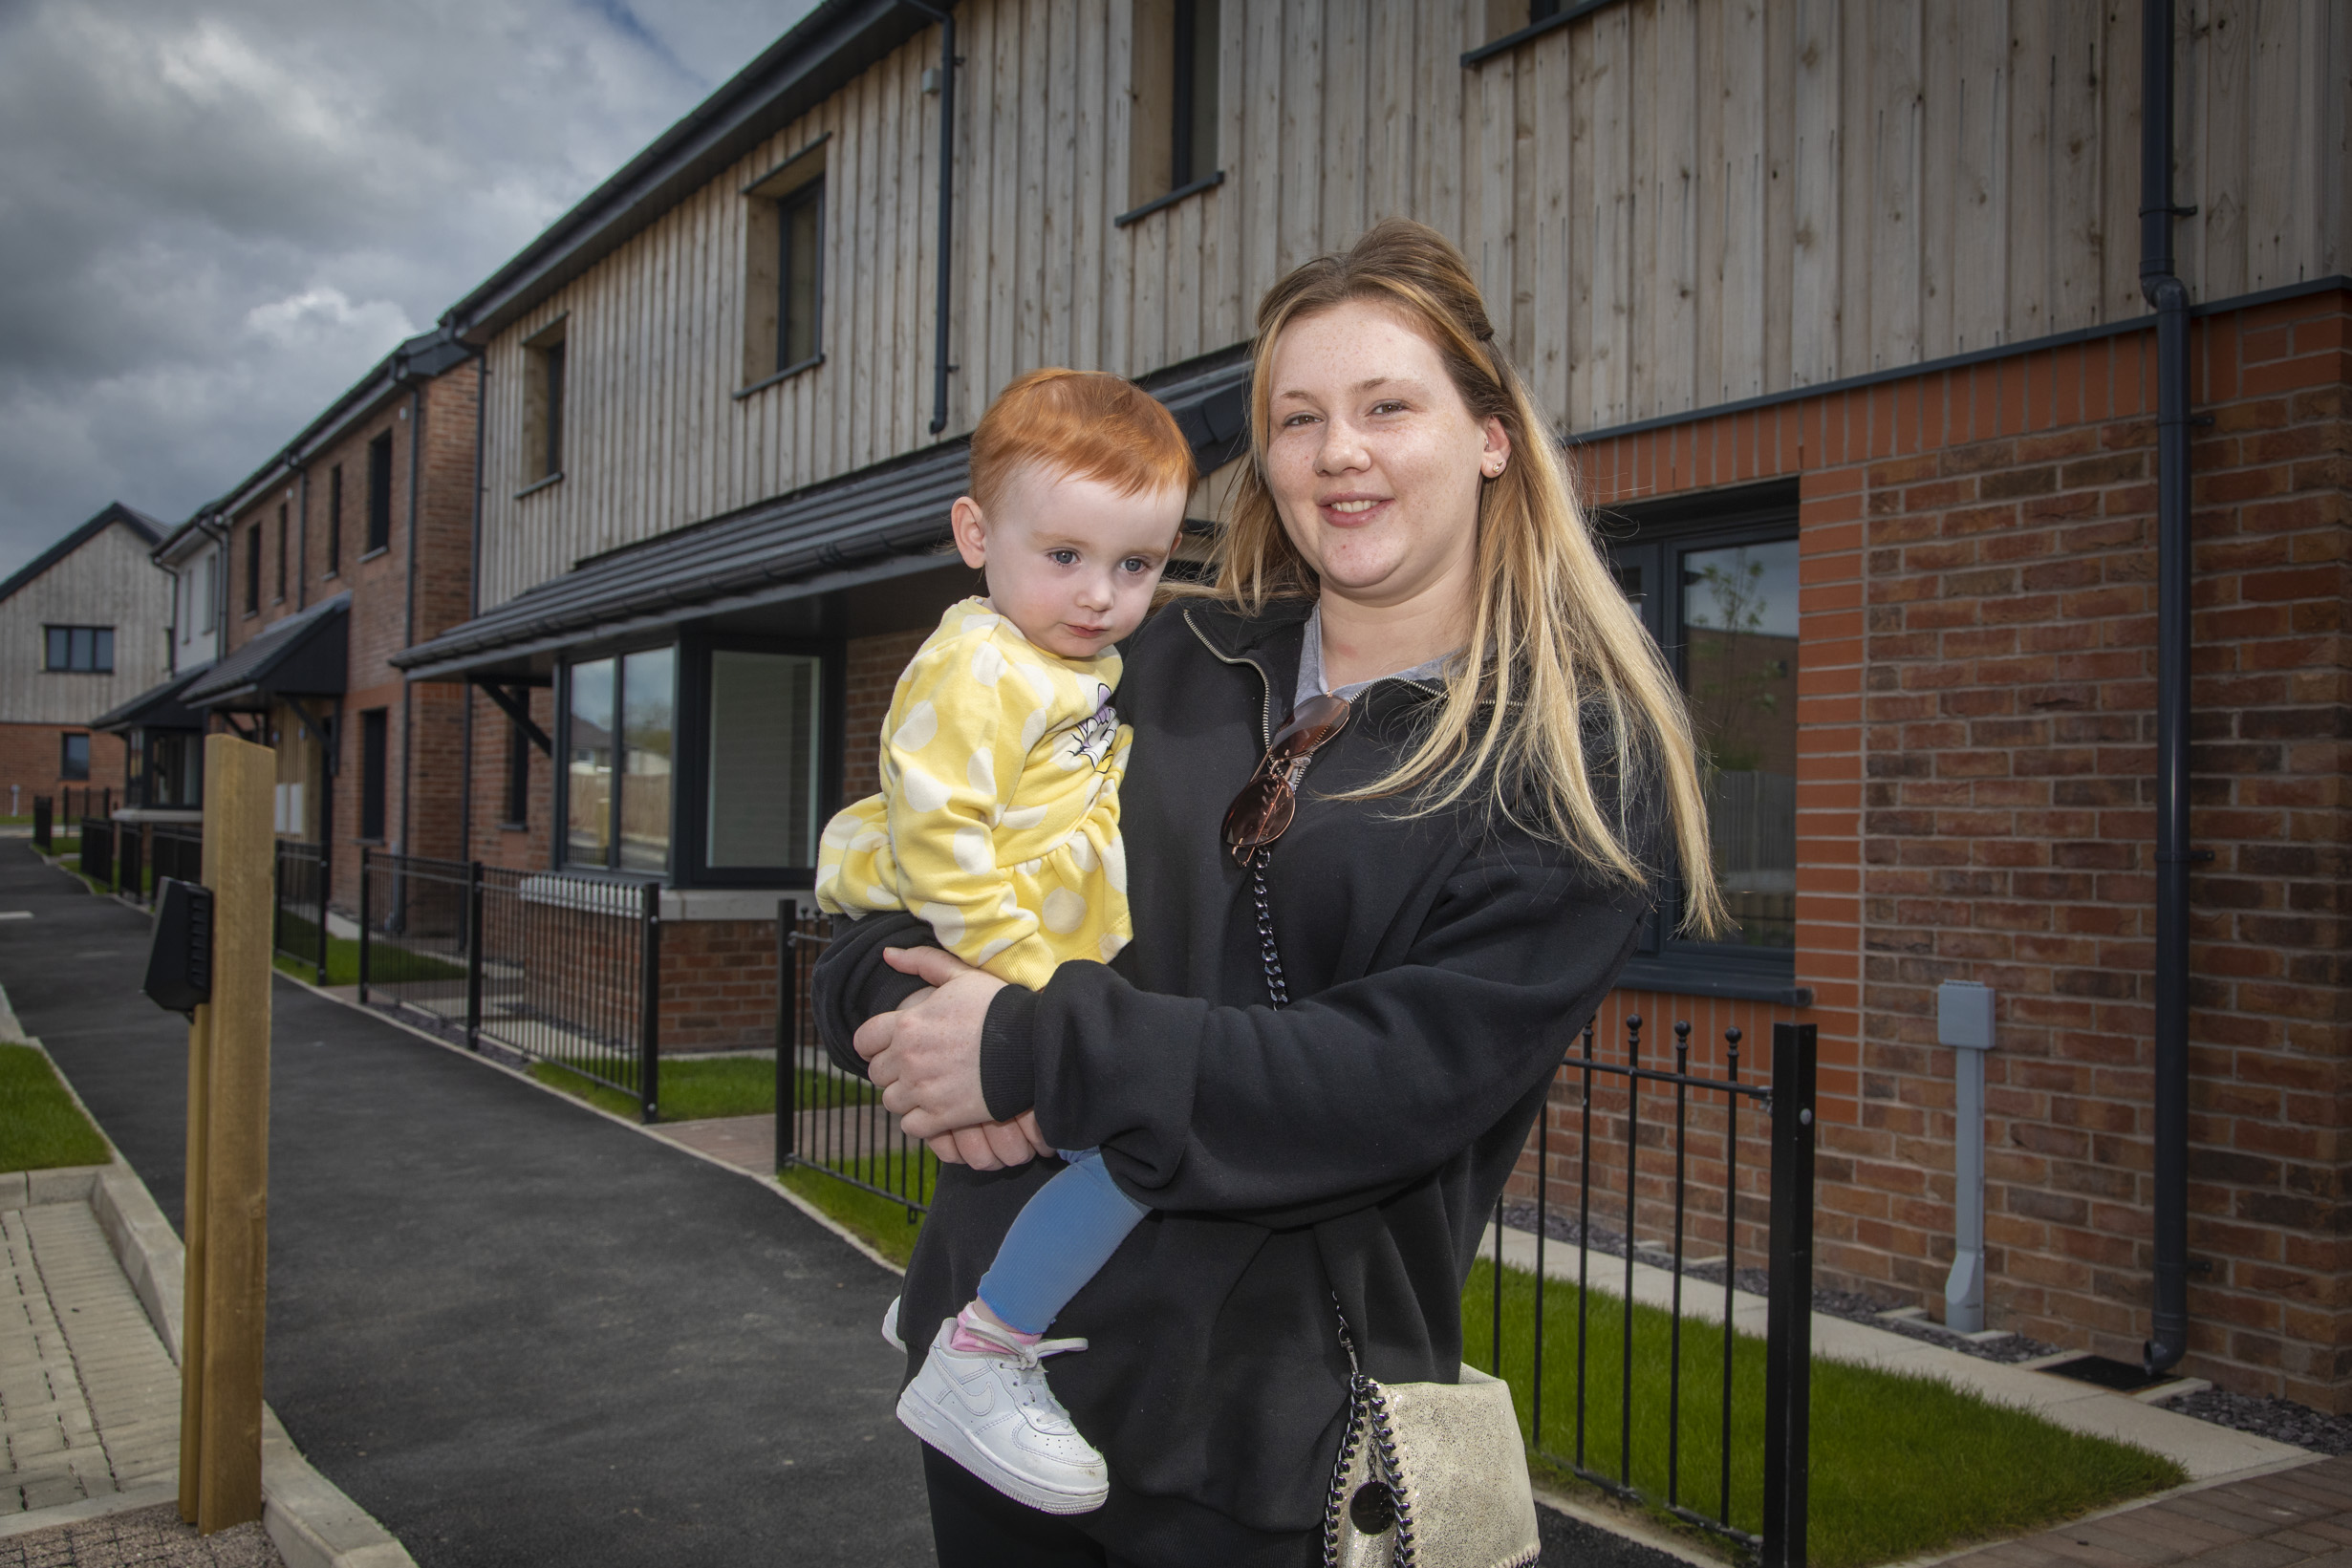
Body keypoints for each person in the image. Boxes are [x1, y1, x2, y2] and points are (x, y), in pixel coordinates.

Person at [816, 219, 1725, 1568]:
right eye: (1296, 417)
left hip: (1268, 1440)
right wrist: (884, 1013)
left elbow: (1393, 1081)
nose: (1336, 451)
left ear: (1490, 434)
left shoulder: (1567, 757)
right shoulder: (1150, 654)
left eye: (1385, 406)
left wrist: (1022, 1045)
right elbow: (904, 867)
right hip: (1002, 1392)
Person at [815, 367, 1196, 1515]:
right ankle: (981, 1350)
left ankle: (939, 1298)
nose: (1101, 595)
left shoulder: (1070, 662)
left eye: (1136, 566)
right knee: (1132, 1152)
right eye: (1066, 557)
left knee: (1074, 1143)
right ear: (976, 535)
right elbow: (942, 847)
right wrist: (1037, 991)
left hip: (1034, 949)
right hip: (1002, 946)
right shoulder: (979, 662)